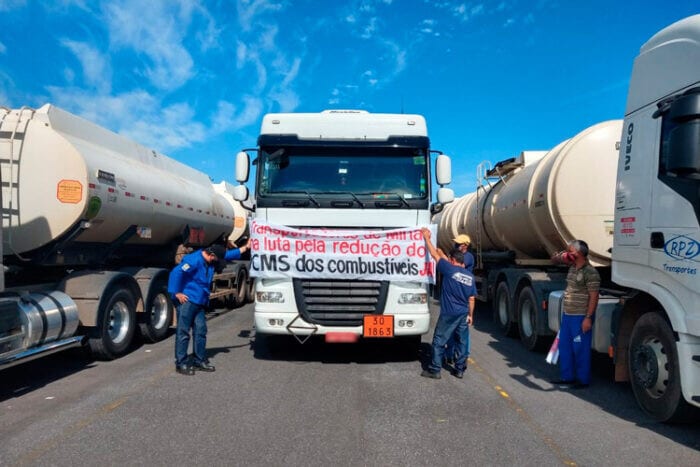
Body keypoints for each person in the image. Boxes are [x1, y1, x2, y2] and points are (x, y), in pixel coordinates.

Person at [168, 241, 250, 375]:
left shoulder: (210, 258)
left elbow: (227, 255)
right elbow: (176, 272)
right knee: (183, 332)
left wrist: (245, 248)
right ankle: (181, 363)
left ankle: (199, 360)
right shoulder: (194, 260)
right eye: (217, 259)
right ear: (211, 255)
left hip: (200, 301)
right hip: (188, 300)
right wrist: (176, 293)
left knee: (200, 330)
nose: (218, 261)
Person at [420, 228, 477, 379]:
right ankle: (459, 370)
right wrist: (471, 315)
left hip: (448, 314)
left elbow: (433, 255)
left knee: (439, 341)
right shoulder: (470, 277)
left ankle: (435, 369)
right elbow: (472, 299)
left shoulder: (449, 269)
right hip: (463, 313)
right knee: (462, 342)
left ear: (452, 260)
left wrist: (426, 238)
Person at [550, 240, 600, 389]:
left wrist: (588, 318)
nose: (567, 254)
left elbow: (594, 296)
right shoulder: (572, 267)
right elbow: (556, 260)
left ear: (578, 254)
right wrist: (558, 257)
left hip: (580, 316)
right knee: (565, 347)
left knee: (580, 349)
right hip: (568, 315)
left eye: (570, 252)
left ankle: (582, 380)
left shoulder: (590, 273)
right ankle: (567, 377)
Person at [444, 234, 475, 365]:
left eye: (459, 244)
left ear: (465, 246)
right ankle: (450, 354)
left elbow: (455, 266)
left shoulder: (467, 257)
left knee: (462, 332)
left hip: (463, 295)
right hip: (457, 295)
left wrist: (470, 314)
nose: (456, 246)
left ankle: (462, 356)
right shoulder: (459, 255)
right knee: (452, 329)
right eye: (456, 244)